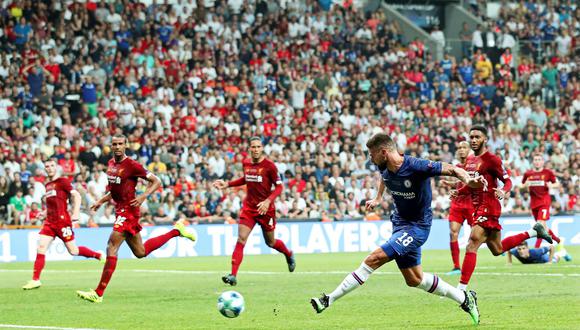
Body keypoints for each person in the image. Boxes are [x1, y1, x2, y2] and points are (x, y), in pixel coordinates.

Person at [310, 133, 483, 325]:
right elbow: (385, 179)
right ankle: (464, 299)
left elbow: (451, 168)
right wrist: (378, 198)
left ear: (384, 152)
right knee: (414, 279)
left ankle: (328, 299)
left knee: (373, 259)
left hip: (418, 227)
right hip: (400, 225)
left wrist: (469, 180)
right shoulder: (386, 169)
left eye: (372, 154)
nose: (370, 158)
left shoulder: (416, 166)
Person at [76, 135, 196, 303]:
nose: (117, 147)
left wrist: (143, 196)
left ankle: (98, 293)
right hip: (120, 210)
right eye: (114, 144)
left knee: (112, 246)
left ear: (125, 145)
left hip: (129, 210)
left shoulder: (132, 165)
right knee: (141, 252)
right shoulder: (111, 165)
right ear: (111, 146)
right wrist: (100, 201)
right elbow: (115, 190)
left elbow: (157, 181)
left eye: (120, 144)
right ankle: (176, 231)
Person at [457, 126, 553, 290]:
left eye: (477, 137)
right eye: (471, 137)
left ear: (485, 139)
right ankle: (533, 232)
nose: (473, 140)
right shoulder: (471, 161)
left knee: (472, 243)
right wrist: (458, 192)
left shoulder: (492, 159)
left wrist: (503, 190)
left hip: (489, 206)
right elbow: (472, 185)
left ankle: (461, 290)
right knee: (497, 249)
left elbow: (508, 181)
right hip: (478, 207)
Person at [213, 137, 295, 286]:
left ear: (262, 148)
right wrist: (228, 185)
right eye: (253, 147)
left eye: (258, 146)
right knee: (241, 239)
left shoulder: (269, 166)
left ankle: (288, 254)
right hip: (249, 208)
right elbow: (246, 179)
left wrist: (268, 201)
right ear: (249, 149)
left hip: (266, 210)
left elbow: (279, 187)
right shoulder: (246, 163)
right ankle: (233, 275)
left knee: (270, 242)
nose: (256, 149)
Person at [22, 159, 103, 290]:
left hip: (62, 222)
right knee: (41, 247)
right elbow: (53, 204)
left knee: (74, 251)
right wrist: (44, 212)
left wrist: (75, 213)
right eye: (46, 166)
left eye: (51, 166)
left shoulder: (63, 182)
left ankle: (97, 255)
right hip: (49, 222)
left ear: (56, 167)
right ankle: (35, 280)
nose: (49, 168)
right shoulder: (47, 185)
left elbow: (76, 196)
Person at [440, 141, 473, 275]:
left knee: (478, 234)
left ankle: (495, 246)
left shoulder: (474, 165)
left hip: (471, 203)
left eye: (464, 147)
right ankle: (456, 266)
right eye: (459, 148)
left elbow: (470, 183)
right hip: (457, 204)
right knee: (453, 233)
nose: (461, 150)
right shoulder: (457, 167)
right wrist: (449, 183)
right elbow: (459, 183)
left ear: (469, 150)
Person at [522, 154, 561, 248]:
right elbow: (521, 186)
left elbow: (557, 184)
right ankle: (558, 240)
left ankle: (536, 248)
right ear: (533, 161)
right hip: (534, 204)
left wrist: (551, 186)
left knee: (539, 226)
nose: (537, 161)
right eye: (535, 159)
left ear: (542, 162)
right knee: (544, 227)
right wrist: (525, 186)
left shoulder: (548, 172)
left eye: (539, 159)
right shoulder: (528, 174)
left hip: (544, 202)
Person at [507, 241, 571, 265]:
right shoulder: (515, 252)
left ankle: (563, 252)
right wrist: (509, 262)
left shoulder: (536, 252)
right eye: (519, 249)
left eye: (523, 248)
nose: (521, 251)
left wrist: (550, 261)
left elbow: (551, 247)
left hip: (544, 259)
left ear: (527, 248)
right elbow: (509, 251)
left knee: (555, 259)